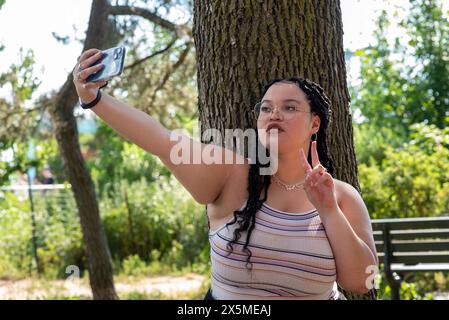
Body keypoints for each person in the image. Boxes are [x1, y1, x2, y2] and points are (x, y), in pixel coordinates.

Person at [73, 49, 378, 300]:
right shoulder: (232, 173)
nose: (274, 114)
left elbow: (362, 282)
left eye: (289, 108)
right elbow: (161, 140)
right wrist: (94, 99)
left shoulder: (341, 195)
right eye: (266, 108)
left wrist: (328, 210)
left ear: (314, 123)